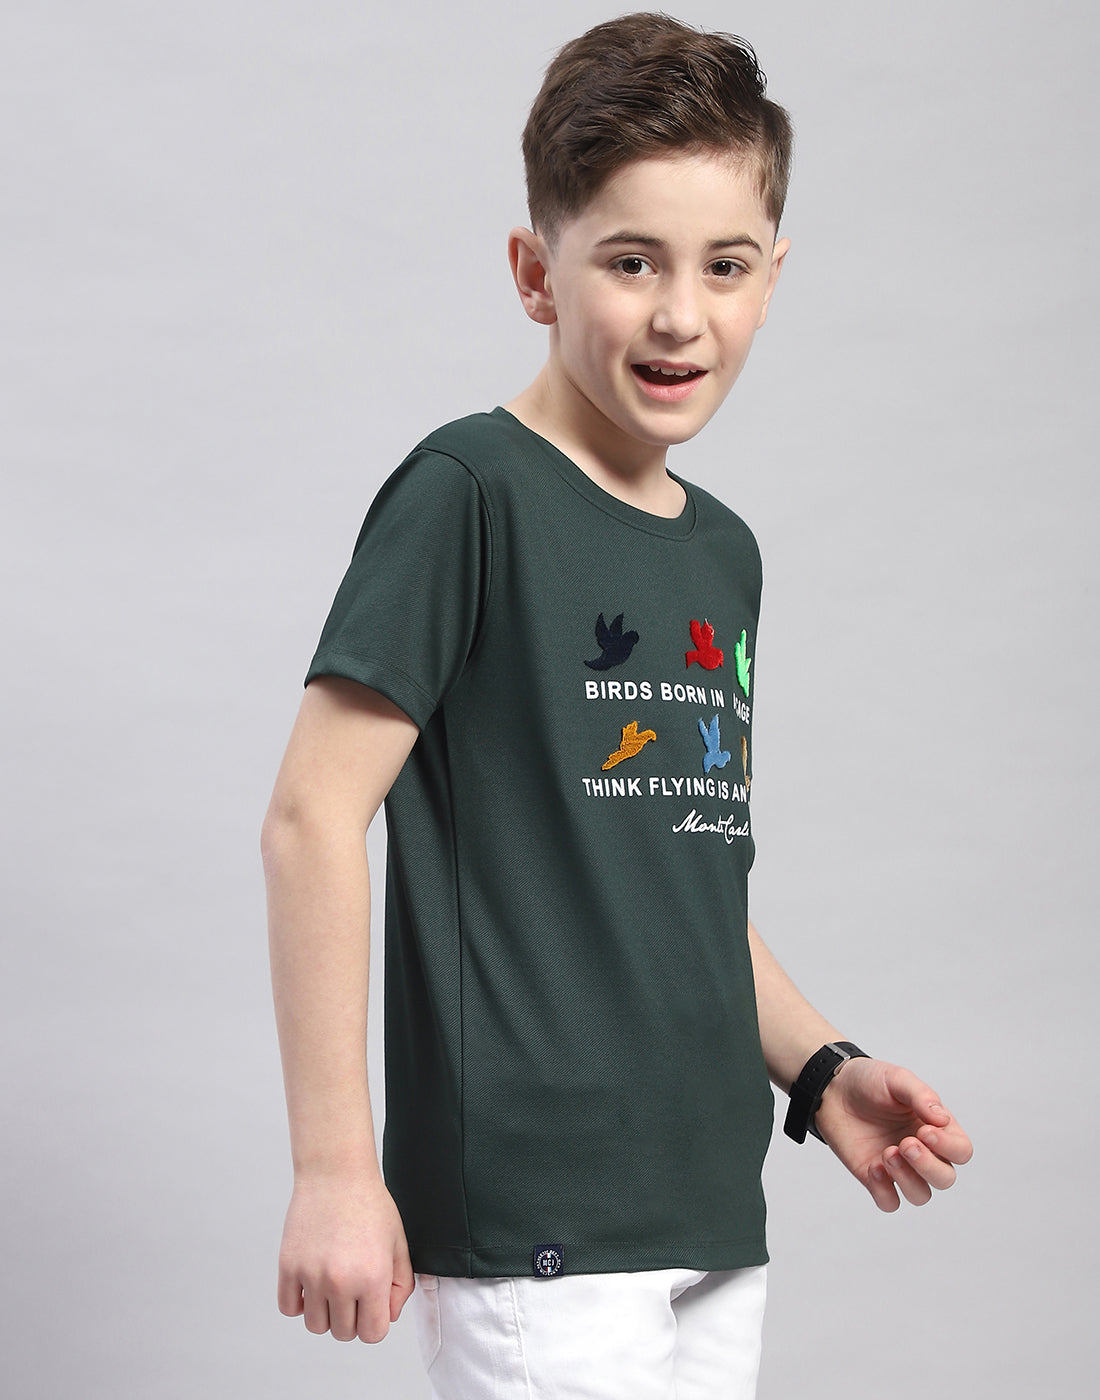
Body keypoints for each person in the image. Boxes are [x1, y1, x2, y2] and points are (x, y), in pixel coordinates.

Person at [262, 13, 973, 1398]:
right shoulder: (468, 495)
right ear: (538, 273)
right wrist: (337, 1168)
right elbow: (310, 820)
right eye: (632, 261)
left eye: (725, 266)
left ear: (773, 279)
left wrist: (820, 1072)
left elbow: (674, 877)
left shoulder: (725, 554)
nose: (679, 314)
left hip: (706, 1206)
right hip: (542, 1220)